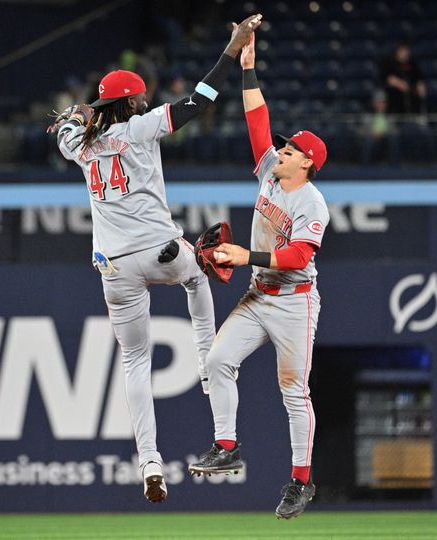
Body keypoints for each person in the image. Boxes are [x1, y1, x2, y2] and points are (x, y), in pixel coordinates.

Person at [48, 13, 261, 504]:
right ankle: (208, 369)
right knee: (199, 280)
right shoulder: (140, 126)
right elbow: (201, 99)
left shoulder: (79, 145)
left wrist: (78, 115)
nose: (144, 100)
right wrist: (232, 48)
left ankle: (149, 461)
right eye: (139, 96)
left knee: (134, 360)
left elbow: (66, 128)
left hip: (115, 268)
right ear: (130, 102)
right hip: (161, 251)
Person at [188, 31, 330, 520]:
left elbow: (295, 257)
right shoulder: (271, 171)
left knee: (293, 390)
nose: (282, 150)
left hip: (294, 301)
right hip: (258, 294)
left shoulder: (312, 203)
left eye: (292, 150)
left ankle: (300, 481)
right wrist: (249, 65)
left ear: (309, 164)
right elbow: (257, 119)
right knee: (218, 361)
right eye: (285, 146)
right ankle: (226, 445)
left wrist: (244, 255)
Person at [379, 43, 426, 114]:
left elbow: (419, 79)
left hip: (411, 98)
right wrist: (398, 83)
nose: (405, 53)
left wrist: (420, 85)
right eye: (402, 51)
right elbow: (387, 78)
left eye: (406, 51)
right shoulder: (389, 63)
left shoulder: (412, 64)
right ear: (397, 51)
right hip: (395, 99)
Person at [362, 90, 399, 165]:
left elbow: (395, 131)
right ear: (373, 103)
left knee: (392, 139)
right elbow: (361, 132)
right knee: (369, 141)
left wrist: (384, 134)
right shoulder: (367, 116)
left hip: (386, 139)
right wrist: (373, 134)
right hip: (372, 139)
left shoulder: (390, 116)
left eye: (383, 102)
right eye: (378, 102)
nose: (381, 104)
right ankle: (365, 167)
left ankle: (394, 167)